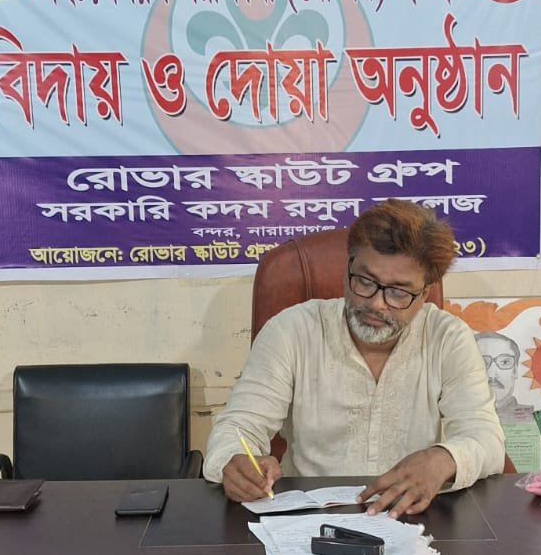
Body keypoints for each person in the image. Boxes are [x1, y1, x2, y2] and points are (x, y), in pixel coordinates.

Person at [204, 201, 505, 517]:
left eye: (398, 292)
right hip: (308, 517)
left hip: (412, 516)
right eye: (365, 281)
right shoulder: (292, 330)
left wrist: (443, 459)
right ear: (348, 267)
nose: (376, 304)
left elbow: (485, 438)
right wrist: (233, 461)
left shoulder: (447, 337)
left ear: (425, 293)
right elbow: (239, 425)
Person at [475, 332, 536, 424]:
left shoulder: (534, 420)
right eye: (482, 362)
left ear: (515, 370)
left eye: (504, 362)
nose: (492, 374)